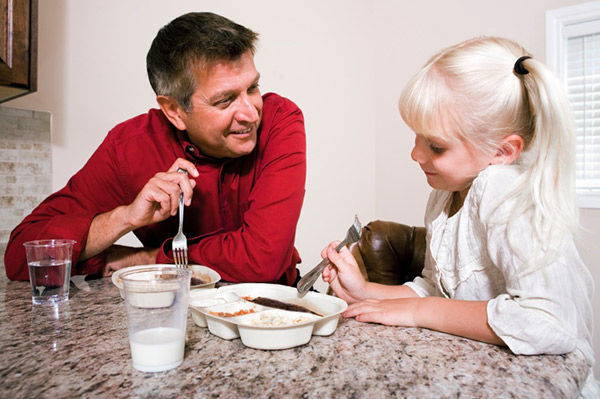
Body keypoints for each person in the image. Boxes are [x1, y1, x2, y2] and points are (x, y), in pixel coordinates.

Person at [321, 37, 598, 397]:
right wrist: (366, 291)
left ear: (502, 151)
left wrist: (421, 312)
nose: (415, 153)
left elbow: (547, 323)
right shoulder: (444, 195)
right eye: (417, 137)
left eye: (435, 146)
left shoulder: (502, 189)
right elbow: (438, 289)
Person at [4, 12, 306, 286]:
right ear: (173, 111)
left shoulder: (280, 120)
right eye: (225, 100)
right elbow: (21, 257)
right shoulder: (130, 146)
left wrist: (148, 259)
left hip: (277, 314)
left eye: (252, 88)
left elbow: (261, 260)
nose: (252, 114)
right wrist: (125, 217)